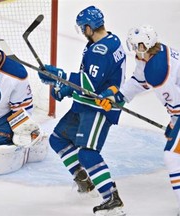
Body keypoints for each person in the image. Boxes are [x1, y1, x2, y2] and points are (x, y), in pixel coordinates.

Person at [39, 5, 126, 215]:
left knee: (87, 153)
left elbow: (91, 85)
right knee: (57, 139)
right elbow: (86, 80)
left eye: (82, 28)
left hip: (98, 107)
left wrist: (61, 76)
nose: (82, 31)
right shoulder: (105, 41)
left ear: (89, 27)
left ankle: (112, 199)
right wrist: (64, 87)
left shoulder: (102, 50)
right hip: (84, 104)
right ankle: (85, 181)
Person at [96, 24, 180, 214]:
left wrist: (174, 124)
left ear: (144, 45)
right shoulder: (153, 55)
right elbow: (138, 81)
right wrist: (118, 97)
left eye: (136, 46)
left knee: (172, 156)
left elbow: (175, 104)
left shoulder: (158, 70)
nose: (134, 49)